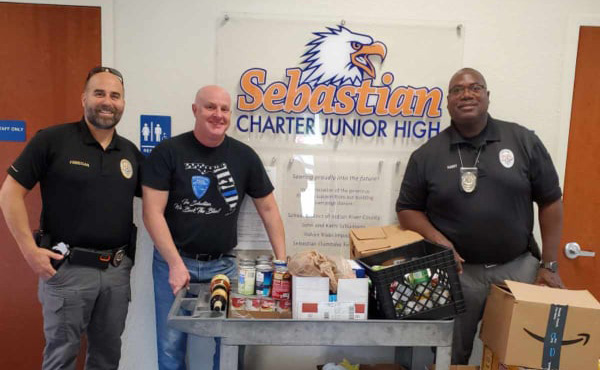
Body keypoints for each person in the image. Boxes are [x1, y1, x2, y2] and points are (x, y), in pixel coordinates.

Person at [396, 67, 564, 364]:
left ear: (488, 96)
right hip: (459, 275)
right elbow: (407, 209)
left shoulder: (523, 141)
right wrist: (440, 242)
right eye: (457, 90)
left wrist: (549, 264)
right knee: (451, 354)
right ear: (448, 102)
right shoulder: (427, 155)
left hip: (518, 269)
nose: (466, 94)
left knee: (517, 353)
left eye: (475, 87)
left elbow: (551, 201)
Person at [0, 66, 143, 370]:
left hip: (116, 273)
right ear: (84, 98)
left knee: (107, 359)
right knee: (61, 358)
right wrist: (28, 250)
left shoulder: (130, 153)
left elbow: (161, 201)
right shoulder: (52, 140)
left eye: (115, 95)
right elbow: (9, 193)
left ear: (123, 103)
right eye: (99, 93)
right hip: (67, 271)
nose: (108, 101)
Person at [142, 85, 286, 370]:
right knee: (170, 348)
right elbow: (152, 213)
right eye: (210, 107)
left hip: (225, 267)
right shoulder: (168, 152)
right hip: (173, 263)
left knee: (231, 345)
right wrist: (174, 264)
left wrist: (282, 263)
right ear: (195, 110)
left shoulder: (244, 156)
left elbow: (268, 209)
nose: (218, 115)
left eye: (224, 109)